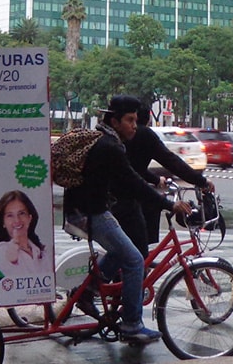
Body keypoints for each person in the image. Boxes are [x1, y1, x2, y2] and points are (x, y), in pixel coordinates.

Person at [62, 95, 191, 345]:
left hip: (89, 209)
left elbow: (132, 178)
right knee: (134, 260)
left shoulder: (105, 140)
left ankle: (88, 291)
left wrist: (155, 187)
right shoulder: (110, 147)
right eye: (130, 120)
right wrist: (169, 204)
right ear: (115, 121)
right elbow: (133, 183)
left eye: (135, 120)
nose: (134, 126)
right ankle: (132, 324)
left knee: (123, 251)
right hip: (90, 213)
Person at [113, 102, 212, 257]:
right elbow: (171, 161)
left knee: (131, 252)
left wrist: (156, 179)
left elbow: (133, 168)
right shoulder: (143, 134)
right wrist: (201, 181)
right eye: (130, 120)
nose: (134, 126)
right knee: (137, 256)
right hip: (124, 200)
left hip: (117, 197)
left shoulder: (124, 135)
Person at [0, 190, 50, 279]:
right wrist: (12, 260)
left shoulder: (43, 252)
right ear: (3, 222)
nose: (17, 220)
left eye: (21, 213)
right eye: (10, 215)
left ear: (29, 218)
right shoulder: (0, 250)